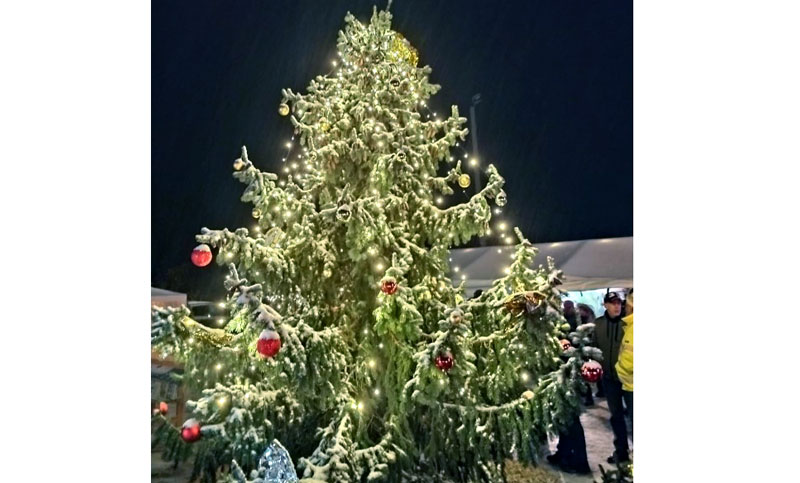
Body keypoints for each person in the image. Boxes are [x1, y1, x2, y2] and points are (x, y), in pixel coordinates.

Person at [593, 292, 631, 464]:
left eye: (619, 303)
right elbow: (593, 347)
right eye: (613, 303)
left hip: (629, 379)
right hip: (609, 379)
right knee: (616, 416)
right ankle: (621, 451)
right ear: (605, 305)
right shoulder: (598, 325)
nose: (617, 306)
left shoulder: (628, 324)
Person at [616, 291, 633, 438]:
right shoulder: (629, 326)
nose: (623, 307)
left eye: (626, 304)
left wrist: (618, 368)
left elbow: (629, 359)